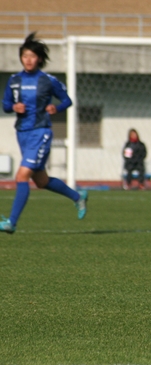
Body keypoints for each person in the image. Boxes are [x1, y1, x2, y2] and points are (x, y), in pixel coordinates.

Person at [0, 33, 88, 234]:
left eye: (32, 56)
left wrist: (56, 109)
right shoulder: (14, 80)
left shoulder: (47, 81)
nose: (28, 60)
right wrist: (14, 106)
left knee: (22, 176)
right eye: (24, 56)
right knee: (41, 181)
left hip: (41, 132)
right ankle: (78, 197)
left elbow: (67, 100)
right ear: (21, 58)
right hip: (22, 133)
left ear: (39, 58)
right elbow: (5, 105)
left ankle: (11, 222)